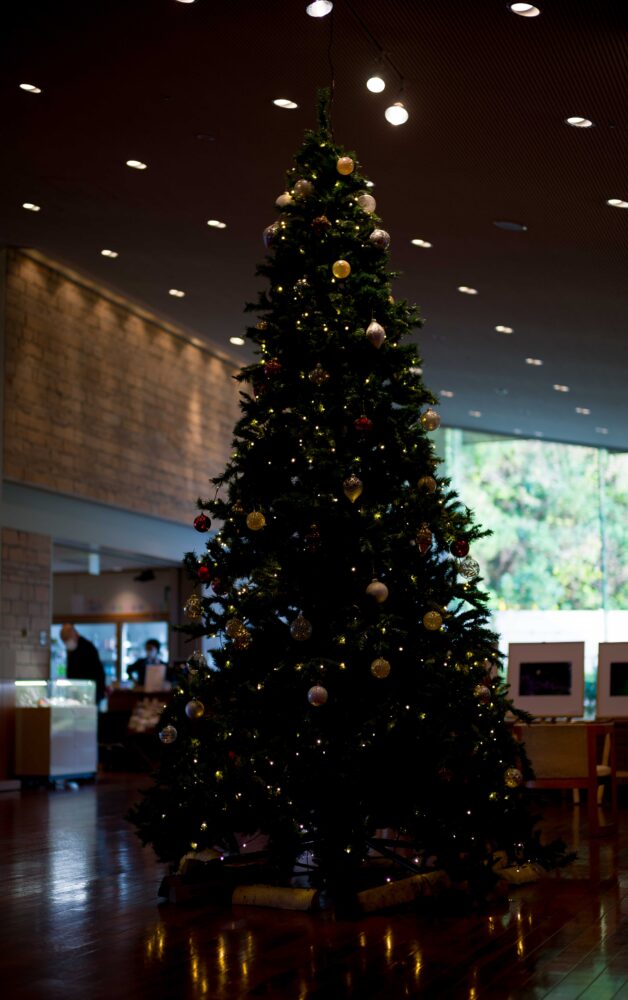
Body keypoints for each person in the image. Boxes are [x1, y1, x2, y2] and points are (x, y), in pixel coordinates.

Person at [60, 623, 106, 702]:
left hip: (91, 693)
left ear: (74, 635)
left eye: (67, 640)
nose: (66, 643)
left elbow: (96, 672)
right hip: (81, 692)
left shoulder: (87, 648)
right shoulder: (72, 649)